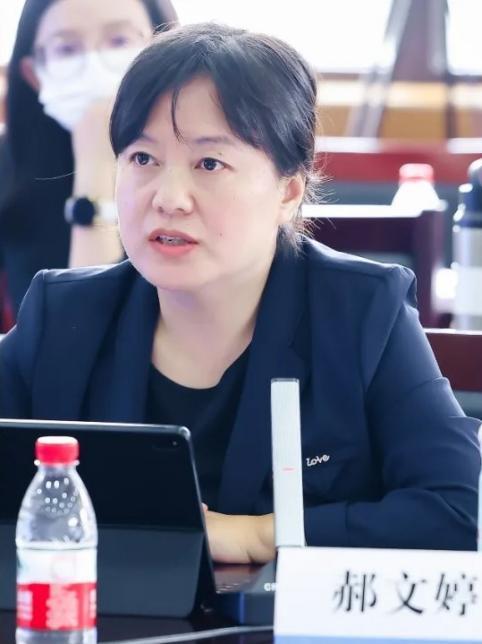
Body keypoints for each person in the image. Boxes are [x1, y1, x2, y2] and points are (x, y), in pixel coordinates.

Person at [0, 23, 479, 564]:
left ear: (288, 191)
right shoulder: (62, 314)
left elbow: (455, 511)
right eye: (142, 159)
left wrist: (257, 535)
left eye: (210, 164)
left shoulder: (363, 312)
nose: (169, 198)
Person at [0, 0, 177, 316]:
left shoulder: (206, 157)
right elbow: (80, 327)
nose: (94, 65)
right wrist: (94, 163)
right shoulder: (8, 166)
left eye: (119, 41)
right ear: (33, 73)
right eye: (67, 49)